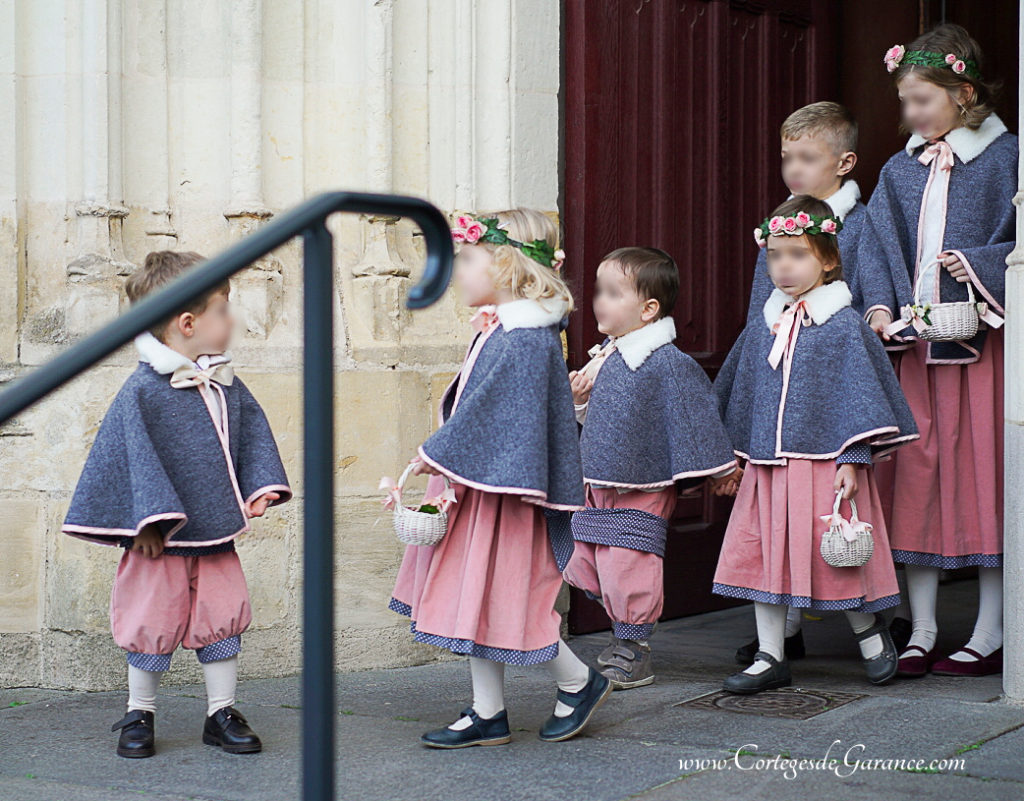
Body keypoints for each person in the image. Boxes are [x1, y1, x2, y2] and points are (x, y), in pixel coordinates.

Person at [387, 209, 610, 748]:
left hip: (505, 493)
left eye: (467, 259)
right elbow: (479, 409)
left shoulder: (525, 337)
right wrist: (441, 458)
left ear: (508, 265)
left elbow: (496, 413)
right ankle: (488, 712)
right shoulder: (503, 328)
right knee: (476, 596)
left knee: (509, 597)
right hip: (478, 482)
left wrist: (433, 452)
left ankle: (578, 681)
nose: (458, 271)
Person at [62, 251, 291, 758]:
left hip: (215, 531)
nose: (232, 319)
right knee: (151, 617)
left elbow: (249, 434)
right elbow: (127, 456)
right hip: (158, 539)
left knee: (222, 614)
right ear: (188, 323)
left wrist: (259, 487)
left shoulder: (223, 381)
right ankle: (139, 711)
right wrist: (142, 520)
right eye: (224, 309)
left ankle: (221, 711)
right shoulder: (144, 389)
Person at [855, 24, 1016, 678]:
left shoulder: (1007, 159)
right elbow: (877, 246)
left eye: (922, 100)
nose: (910, 115)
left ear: (963, 91)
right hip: (918, 354)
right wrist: (883, 309)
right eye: (906, 102)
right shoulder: (899, 170)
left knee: (987, 482)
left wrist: (977, 266)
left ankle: (993, 626)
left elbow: (1019, 242)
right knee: (915, 480)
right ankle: (920, 628)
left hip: (984, 353)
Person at [712, 197, 918, 694]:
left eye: (798, 255)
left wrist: (853, 457)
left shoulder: (842, 325)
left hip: (824, 467)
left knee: (834, 557)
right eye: (776, 256)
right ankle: (769, 655)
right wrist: (733, 455)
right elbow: (741, 390)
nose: (784, 267)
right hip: (768, 467)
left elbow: (862, 395)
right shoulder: (766, 322)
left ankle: (868, 632)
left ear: (827, 258)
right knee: (763, 557)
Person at [563, 246, 739, 690]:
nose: (599, 300)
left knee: (629, 566)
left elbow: (695, 415)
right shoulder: (608, 355)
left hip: (643, 483)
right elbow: (600, 419)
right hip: (598, 477)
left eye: (612, 292)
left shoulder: (666, 362)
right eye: (599, 290)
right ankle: (623, 623)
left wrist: (722, 470)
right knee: (587, 559)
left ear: (648, 308)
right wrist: (581, 399)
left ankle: (633, 645)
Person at [735, 101, 868, 664]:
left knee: (838, 514)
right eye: (787, 157)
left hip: (833, 389)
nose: (793, 168)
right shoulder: (781, 231)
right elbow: (757, 319)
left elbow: (870, 293)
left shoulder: (857, 226)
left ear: (843, 162)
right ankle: (782, 630)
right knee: (776, 520)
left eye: (806, 157)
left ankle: (875, 620)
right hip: (778, 392)